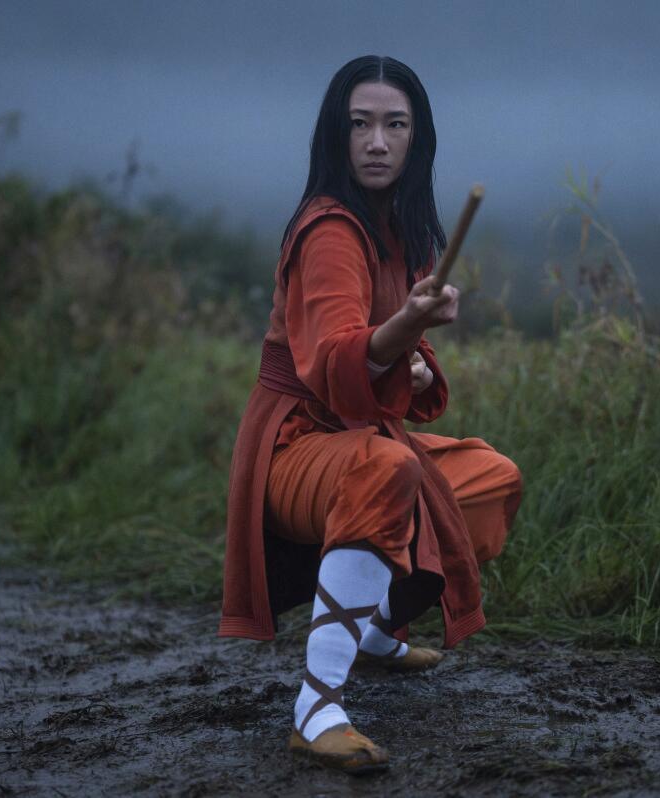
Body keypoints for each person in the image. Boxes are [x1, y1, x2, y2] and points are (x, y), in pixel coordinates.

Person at [218, 55, 523, 772]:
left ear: (417, 139)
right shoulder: (330, 231)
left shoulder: (400, 229)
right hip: (296, 448)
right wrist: (402, 333)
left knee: (489, 480)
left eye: (395, 125)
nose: (378, 142)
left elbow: (388, 372)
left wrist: (411, 348)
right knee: (388, 467)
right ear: (337, 136)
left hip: (361, 437)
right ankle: (317, 708)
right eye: (360, 125)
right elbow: (333, 364)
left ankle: (379, 630)